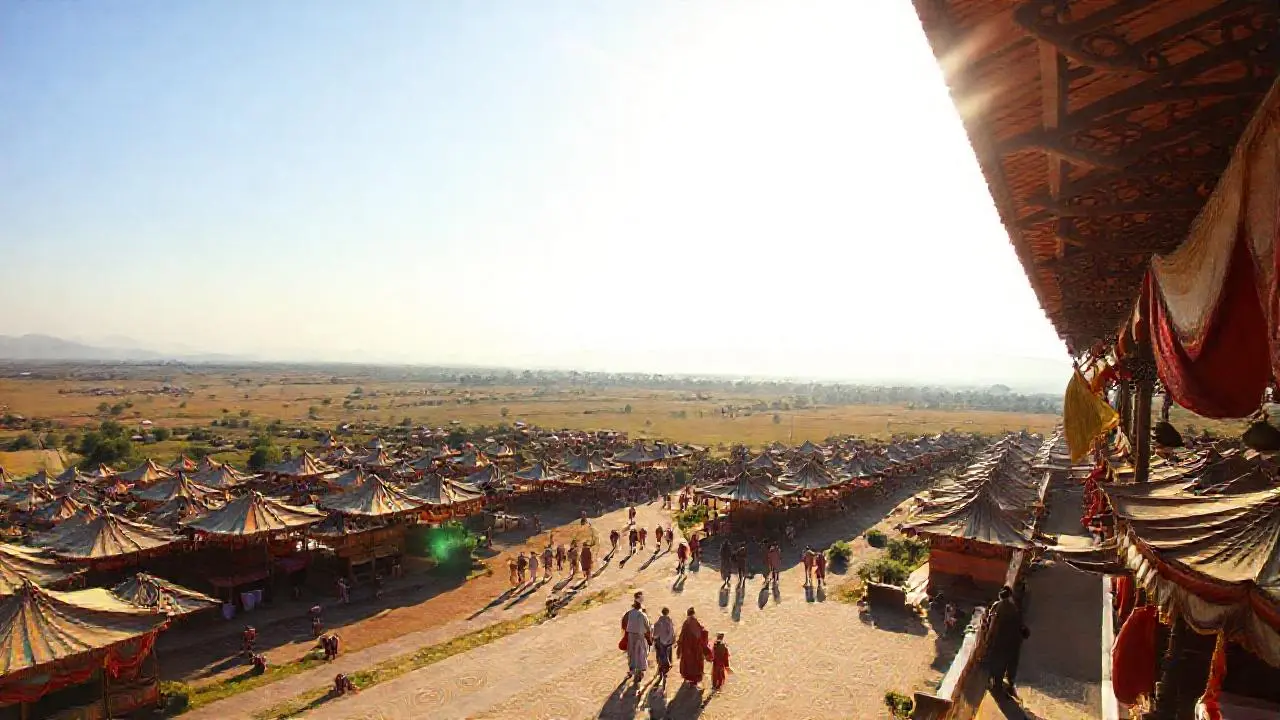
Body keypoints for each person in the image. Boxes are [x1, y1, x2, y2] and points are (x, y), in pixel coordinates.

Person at [986, 586, 1029, 695]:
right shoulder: (1015, 607)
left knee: (998, 662)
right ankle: (1010, 685)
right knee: (1011, 664)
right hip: (1014, 641)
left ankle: (997, 685)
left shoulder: (998, 606)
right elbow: (1021, 625)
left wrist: (988, 638)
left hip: (1001, 640)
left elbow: (992, 624)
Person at [676, 608, 711, 686]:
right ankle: (695, 680)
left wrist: (679, 646)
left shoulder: (686, 623)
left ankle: (688, 678)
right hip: (696, 648)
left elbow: (682, 636)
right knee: (696, 664)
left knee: (688, 663)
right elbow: (701, 633)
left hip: (687, 649)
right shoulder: (696, 622)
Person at [621, 597, 653, 681]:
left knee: (632, 653)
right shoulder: (642, 615)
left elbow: (624, 623)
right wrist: (649, 639)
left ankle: (632, 669)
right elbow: (647, 628)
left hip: (631, 636)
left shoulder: (629, 613)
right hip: (640, 636)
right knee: (641, 653)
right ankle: (640, 671)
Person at [653, 607, 676, 682]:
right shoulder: (670, 621)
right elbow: (672, 632)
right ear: (668, 613)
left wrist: (654, 638)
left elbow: (655, 634)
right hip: (669, 642)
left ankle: (662, 667)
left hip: (661, 642)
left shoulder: (659, 622)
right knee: (668, 653)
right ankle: (666, 666)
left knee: (661, 654)